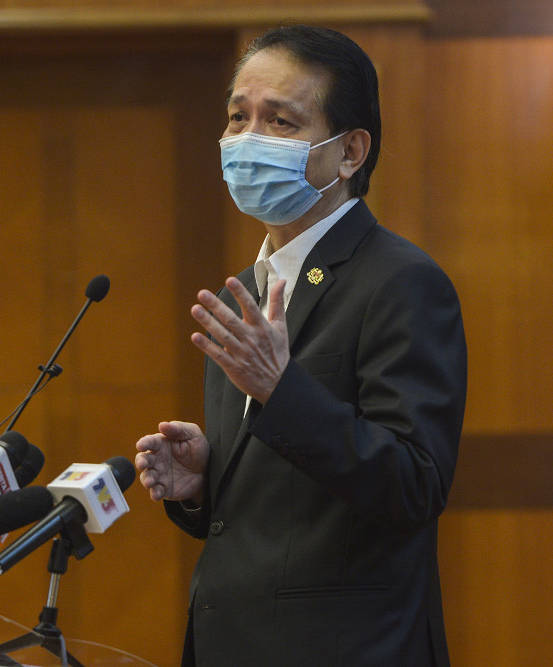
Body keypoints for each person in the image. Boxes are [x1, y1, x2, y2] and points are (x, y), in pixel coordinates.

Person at [134, 25, 467, 666]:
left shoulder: (401, 282)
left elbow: (415, 485)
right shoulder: (245, 294)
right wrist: (203, 485)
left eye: (280, 122)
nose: (247, 140)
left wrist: (280, 390)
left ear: (350, 153)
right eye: (238, 117)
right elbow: (281, 496)